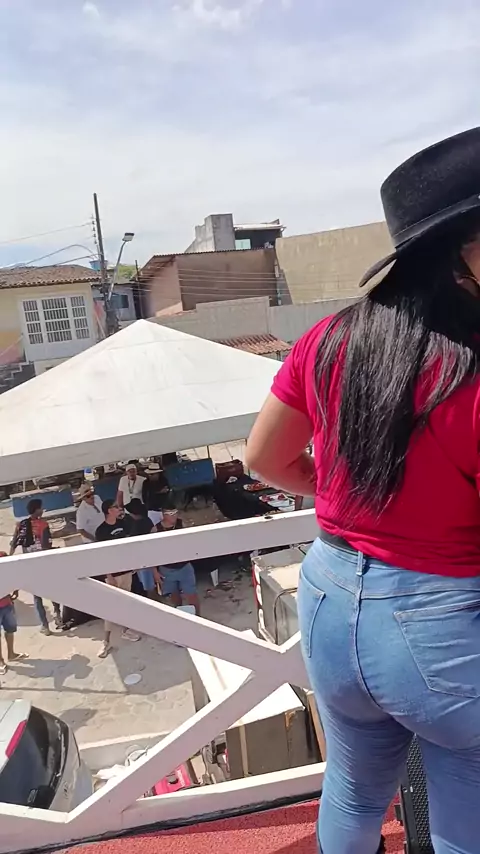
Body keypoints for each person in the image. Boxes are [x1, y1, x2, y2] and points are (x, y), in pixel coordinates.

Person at [246, 127, 480, 854]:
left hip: (328, 597)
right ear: (458, 258)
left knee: (351, 792)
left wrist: (358, 499)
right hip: (439, 624)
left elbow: (264, 458)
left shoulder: (328, 338)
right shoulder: (471, 372)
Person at [95, 499, 140, 658]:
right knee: (110, 607)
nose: (119, 508)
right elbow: (102, 555)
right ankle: (106, 641)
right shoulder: (101, 531)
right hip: (113, 574)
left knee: (126, 601)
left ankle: (126, 630)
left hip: (126, 571)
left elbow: (128, 546)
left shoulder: (124, 524)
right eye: (115, 507)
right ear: (109, 510)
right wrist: (108, 575)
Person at [10, 498, 61, 635]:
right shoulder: (43, 525)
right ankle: (58, 616)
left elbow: (14, 543)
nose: (43, 510)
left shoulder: (21, 525)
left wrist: (9, 560)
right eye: (41, 507)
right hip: (44, 564)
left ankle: (45, 626)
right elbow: (46, 546)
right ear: (36, 509)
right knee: (53, 591)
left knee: (37, 596)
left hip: (30, 565)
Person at [158, 510, 200, 615]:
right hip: (167, 569)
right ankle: (179, 616)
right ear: (164, 515)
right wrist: (155, 572)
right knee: (174, 595)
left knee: (191, 594)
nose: (174, 516)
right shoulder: (156, 529)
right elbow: (151, 553)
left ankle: (198, 618)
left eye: (175, 513)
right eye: (171, 514)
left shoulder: (182, 524)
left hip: (184, 566)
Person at [125, 498, 161, 597]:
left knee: (149, 586)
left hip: (143, 560)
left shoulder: (138, 525)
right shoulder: (147, 520)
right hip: (150, 557)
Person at [0, 552, 28, 677]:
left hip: (6, 603)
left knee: (10, 629)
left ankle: (11, 654)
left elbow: (13, 572)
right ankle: (0, 661)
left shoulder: (2, 556)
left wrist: (16, 589)